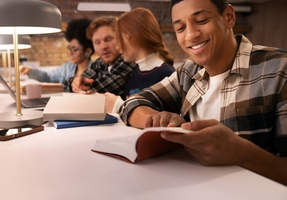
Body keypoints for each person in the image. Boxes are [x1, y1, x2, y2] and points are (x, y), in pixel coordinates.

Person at [119, 0, 287, 185]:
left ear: (229, 17)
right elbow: (133, 103)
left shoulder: (279, 69)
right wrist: (158, 120)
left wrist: (242, 154)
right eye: (181, 28)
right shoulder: (188, 72)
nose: (191, 35)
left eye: (201, 20)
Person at [102, 8, 175, 113]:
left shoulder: (166, 75)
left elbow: (161, 119)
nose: (118, 47)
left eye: (120, 40)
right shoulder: (135, 71)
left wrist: (119, 105)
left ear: (134, 37)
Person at [19, 18, 94, 92]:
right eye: (69, 48)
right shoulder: (67, 67)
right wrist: (30, 71)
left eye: (74, 49)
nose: (70, 53)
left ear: (88, 51)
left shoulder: (96, 70)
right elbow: (48, 77)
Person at [68, 16, 137, 95]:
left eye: (108, 39)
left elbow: (107, 85)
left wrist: (80, 87)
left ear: (120, 38)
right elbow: (70, 82)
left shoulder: (128, 59)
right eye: (97, 42)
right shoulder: (100, 63)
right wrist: (75, 81)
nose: (103, 47)